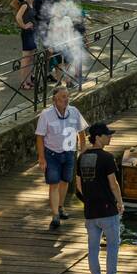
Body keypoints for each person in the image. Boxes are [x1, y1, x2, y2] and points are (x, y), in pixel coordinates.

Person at [75, 122, 128, 274]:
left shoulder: (81, 158)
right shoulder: (107, 158)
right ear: (98, 137)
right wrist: (119, 202)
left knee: (93, 248)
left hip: (90, 210)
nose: (110, 137)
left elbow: (78, 185)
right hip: (107, 210)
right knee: (113, 245)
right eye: (107, 134)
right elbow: (114, 184)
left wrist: (88, 199)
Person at [35, 85, 88, 231]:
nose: (66, 99)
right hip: (52, 154)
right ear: (55, 99)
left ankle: (60, 206)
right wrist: (41, 158)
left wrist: (83, 148)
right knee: (54, 184)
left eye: (67, 96)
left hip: (69, 152)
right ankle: (55, 215)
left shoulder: (74, 111)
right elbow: (39, 137)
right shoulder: (46, 115)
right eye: (63, 97)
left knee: (65, 181)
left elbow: (81, 131)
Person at [15, 0, 37, 90]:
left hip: (33, 32)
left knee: (31, 58)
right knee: (26, 58)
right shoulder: (25, 5)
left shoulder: (31, 4)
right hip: (27, 33)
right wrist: (23, 26)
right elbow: (18, 17)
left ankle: (29, 80)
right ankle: (23, 82)